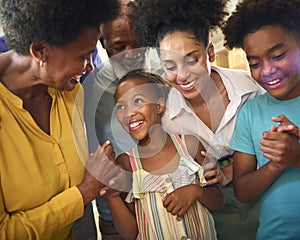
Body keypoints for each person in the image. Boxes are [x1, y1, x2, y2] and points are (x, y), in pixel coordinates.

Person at [128, 0, 263, 239]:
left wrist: (230, 171)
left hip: (262, 198)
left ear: (210, 52)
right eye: (170, 66)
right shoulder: (165, 116)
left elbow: (275, 149)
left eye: (192, 60)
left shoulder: (250, 89)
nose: (182, 75)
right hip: (208, 214)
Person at [0, 0, 122, 239]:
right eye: (82, 57)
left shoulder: (69, 89)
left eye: (92, 54)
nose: (89, 67)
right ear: (40, 51)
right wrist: (85, 192)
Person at [106, 69, 224, 240]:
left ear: (159, 105)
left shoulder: (190, 145)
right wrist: (112, 195)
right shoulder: (125, 163)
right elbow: (131, 232)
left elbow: (218, 200)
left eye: (138, 101)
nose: (129, 113)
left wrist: (196, 191)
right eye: (121, 106)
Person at [83, 1, 163, 239]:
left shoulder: (168, 73)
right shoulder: (89, 90)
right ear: (102, 43)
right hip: (117, 217)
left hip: (171, 206)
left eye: (138, 43)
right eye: (119, 47)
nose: (132, 54)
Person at [222, 0, 300, 239]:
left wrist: (296, 156)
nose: (266, 71)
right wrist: (276, 164)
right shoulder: (251, 112)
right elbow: (242, 191)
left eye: (277, 55)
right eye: (254, 63)